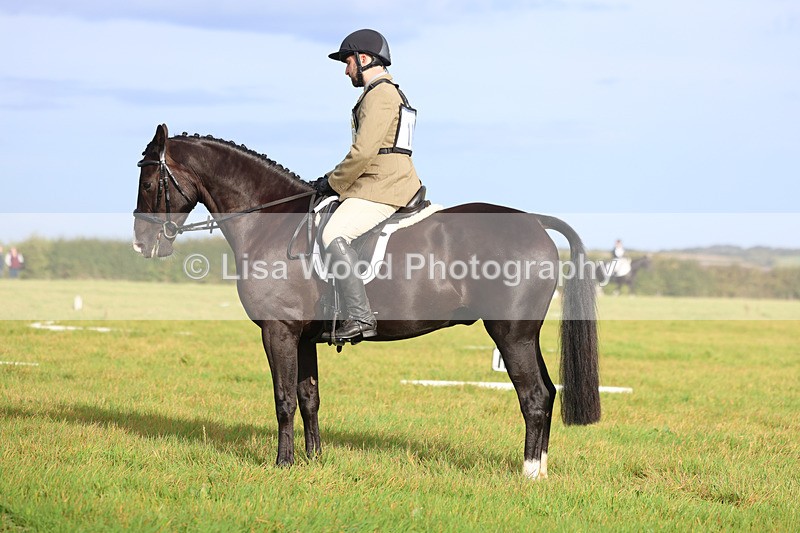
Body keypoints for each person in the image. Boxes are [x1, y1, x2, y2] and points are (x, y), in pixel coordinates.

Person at [312, 29, 422, 342]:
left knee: (333, 232)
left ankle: (360, 317)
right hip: (382, 180)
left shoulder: (381, 94)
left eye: (347, 62)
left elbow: (363, 152)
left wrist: (334, 182)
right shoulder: (387, 92)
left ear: (363, 59)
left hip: (383, 185)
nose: (346, 70)